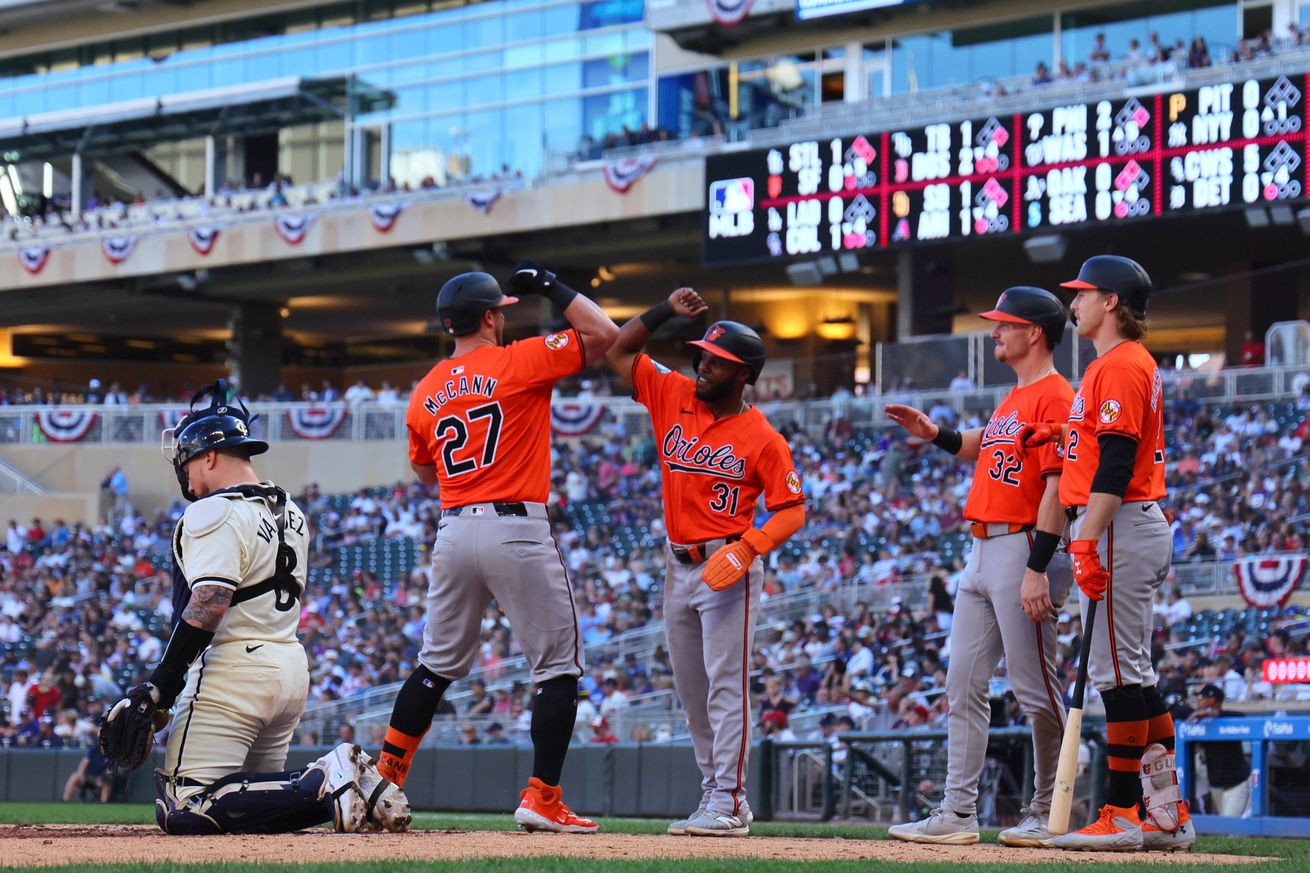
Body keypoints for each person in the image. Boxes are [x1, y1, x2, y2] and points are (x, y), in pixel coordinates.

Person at [97, 381, 409, 835]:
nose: (183, 471)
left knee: (187, 807)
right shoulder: (291, 510)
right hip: (288, 666)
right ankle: (358, 783)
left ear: (209, 456)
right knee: (258, 809)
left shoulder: (212, 511)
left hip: (233, 674)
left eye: (187, 459)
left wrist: (160, 685)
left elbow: (211, 602)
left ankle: (325, 779)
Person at [373, 262, 618, 834]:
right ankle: (543, 796)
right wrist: (554, 286)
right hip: (517, 526)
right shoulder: (518, 359)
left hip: (455, 528)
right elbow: (603, 334)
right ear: (489, 317)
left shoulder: (426, 389)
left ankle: (384, 782)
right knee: (557, 669)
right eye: (501, 312)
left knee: (434, 667)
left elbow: (422, 472)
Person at [606, 288, 806, 837]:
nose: (703, 363)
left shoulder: (763, 436)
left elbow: (791, 510)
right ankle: (717, 795)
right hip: (678, 564)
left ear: (744, 375)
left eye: (717, 361)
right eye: (703, 354)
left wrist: (749, 548)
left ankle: (729, 797)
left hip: (728, 564)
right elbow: (619, 353)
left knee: (724, 684)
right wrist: (664, 310)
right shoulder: (674, 394)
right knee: (692, 690)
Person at [884, 286, 1074, 847]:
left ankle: (1047, 807)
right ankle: (957, 812)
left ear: (1034, 332)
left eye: (1004, 324)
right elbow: (985, 446)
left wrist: (1038, 565)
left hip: (1023, 547)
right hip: (981, 550)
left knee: (1036, 688)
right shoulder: (1015, 396)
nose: (994, 331)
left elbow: (1058, 489)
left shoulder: (1056, 397)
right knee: (961, 682)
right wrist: (935, 435)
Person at [1024, 256, 1193, 852]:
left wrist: (1087, 539)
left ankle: (1122, 814)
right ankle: (1167, 816)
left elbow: (1118, 466)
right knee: (1134, 676)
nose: (1074, 303)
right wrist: (1065, 439)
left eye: (1084, 293)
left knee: (1116, 675)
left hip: (1117, 522)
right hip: (1125, 522)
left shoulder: (1120, 364)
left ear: (1112, 302)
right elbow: (1105, 447)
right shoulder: (1116, 365)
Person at [1186, 685, 1250, 817]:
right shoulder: (1199, 721)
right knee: (1223, 830)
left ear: (1211, 700)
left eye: (1201, 698)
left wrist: (1215, 714)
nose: (1198, 701)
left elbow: (1244, 718)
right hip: (1216, 787)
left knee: (1230, 830)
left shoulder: (1228, 719)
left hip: (1236, 786)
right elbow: (1179, 715)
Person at [64, 727, 114, 803]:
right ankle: (66, 801)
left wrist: (102, 778)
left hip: (102, 777)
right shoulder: (94, 749)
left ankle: (103, 803)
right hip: (89, 776)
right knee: (74, 776)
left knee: (106, 781)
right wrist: (81, 775)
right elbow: (84, 762)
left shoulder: (111, 752)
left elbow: (111, 769)